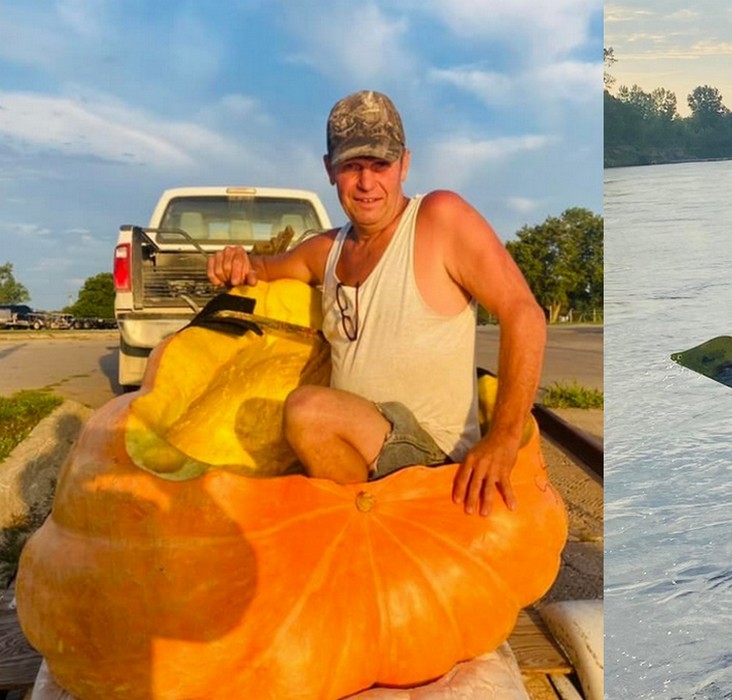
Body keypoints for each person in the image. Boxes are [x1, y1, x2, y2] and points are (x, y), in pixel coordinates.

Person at [207, 89, 546, 517]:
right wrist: (236, 261)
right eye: (352, 166)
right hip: (361, 450)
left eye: (380, 164)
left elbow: (524, 313)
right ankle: (362, 535)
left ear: (404, 164)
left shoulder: (439, 218)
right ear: (330, 170)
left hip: (433, 455)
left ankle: (369, 531)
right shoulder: (327, 249)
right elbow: (265, 270)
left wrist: (503, 438)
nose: (367, 183)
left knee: (308, 410)